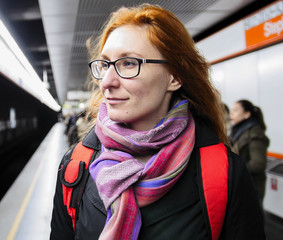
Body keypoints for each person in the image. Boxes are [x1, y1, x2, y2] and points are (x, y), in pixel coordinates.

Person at [50, 4, 265, 240]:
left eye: (129, 63)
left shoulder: (223, 174)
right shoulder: (76, 166)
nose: (107, 82)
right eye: (105, 65)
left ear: (175, 76)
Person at [229, 99, 269, 203]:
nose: (231, 113)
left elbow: (258, 164)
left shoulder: (255, 132)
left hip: (251, 187)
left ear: (247, 114)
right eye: (232, 110)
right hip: (241, 185)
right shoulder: (237, 131)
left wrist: (234, 170)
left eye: (236, 110)